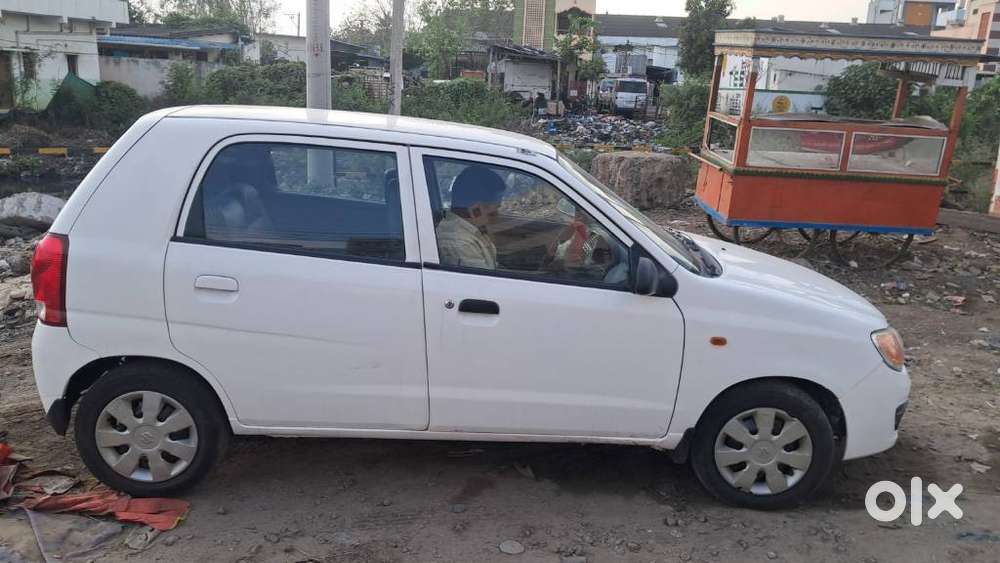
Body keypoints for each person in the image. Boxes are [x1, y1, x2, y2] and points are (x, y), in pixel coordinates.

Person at [436, 165, 506, 269]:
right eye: (493, 211)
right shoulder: (460, 243)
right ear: (476, 210)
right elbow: (483, 282)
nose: (497, 217)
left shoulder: (471, 229)